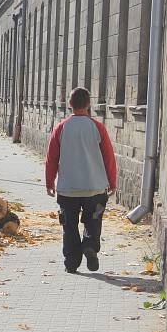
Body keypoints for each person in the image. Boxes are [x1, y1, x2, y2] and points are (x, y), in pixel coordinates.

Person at [45, 87, 117, 274]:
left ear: (70, 104)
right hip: (95, 187)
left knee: (69, 225)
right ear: (88, 104)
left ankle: (71, 261)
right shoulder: (98, 127)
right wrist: (112, 181)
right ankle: (90, 245)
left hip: (68, 188)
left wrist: (49, 182)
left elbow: (51, 158)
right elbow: (108, 156)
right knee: (93, 220)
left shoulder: (61, 128)